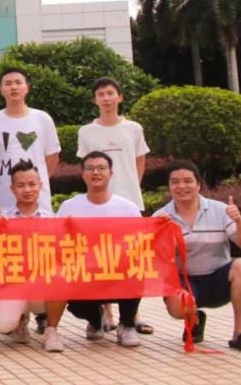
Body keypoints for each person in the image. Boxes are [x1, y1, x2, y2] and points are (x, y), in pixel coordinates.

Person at [154, 160, 241, 354]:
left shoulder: (220, 210)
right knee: (178, 306)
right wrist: (171, 246)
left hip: (218, 279)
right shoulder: (161, 217)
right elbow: (155, 260)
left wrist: (239, 220)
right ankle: (194, 319)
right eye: (175, 182)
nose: (181, 186)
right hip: (184, 281)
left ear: (198, 184)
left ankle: (240, 333)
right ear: (169, 186)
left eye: (188, 181)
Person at [77, 76, 153, 335]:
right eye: (101, 94)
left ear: (120, 97)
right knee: (101, 258)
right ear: (95, 100)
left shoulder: (134, 128)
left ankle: (132, 314)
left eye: (110, 93)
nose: (106, 98)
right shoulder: (86, 132)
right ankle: (107, 313)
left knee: (130, 259)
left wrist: (131, 190)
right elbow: (86, 166)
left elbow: (139, 161)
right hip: (98, 207)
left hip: (129, 204)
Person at [55, 152, 143, 348]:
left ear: (111, 173)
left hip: (117, 273)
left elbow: (139, 244)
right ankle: (96, 320)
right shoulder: (69, 207)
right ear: (83, 174)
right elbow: (56, 242)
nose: (96, 172)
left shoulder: (128, 208)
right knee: (73, 299)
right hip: (84, 274)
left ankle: (127, 324)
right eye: (90, 168)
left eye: (101, 168)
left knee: (138, 270)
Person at [0, 161, 67, 352]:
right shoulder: (1, 220)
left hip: (42, 285)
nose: (27, 190)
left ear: (41, 185)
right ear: (12, 189)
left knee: (60, 276)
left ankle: (51, 330)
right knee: (2, 323)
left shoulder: (52, 220)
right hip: (13, 284)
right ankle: (19, 322)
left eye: (32, 184)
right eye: (21, 185)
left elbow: (63, 256)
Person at [0, 67, 61, 215]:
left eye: (18, 82)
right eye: (8, 83)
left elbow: (53, 158)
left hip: (39, 203)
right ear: (1, 90)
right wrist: (6, 180)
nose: (14, 87)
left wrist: (33, 182)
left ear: (27, 88)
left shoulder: (43, 119)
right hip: (5, 203)